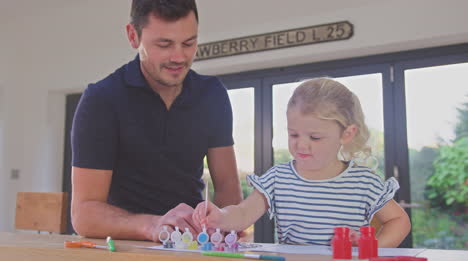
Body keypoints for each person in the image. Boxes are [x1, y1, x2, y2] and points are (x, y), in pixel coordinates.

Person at [71, 0, 242, 242]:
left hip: (189, 246)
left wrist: (225, 229)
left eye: (189, 43)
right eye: (164, 44)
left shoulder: (212, 94)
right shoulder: (102, 99)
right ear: (133, 36)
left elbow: (227, 189)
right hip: (123, 248)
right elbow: (84, 213)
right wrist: (153, 225)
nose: (179, 57)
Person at [193, 78, 411, 247]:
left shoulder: (364, 182)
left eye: (315, 137)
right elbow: (242, 214)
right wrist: (219, 216)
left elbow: (399, 221)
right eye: (293, 135)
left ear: (346, 134)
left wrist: (372, 248)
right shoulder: (278, 178)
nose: (301, 145)